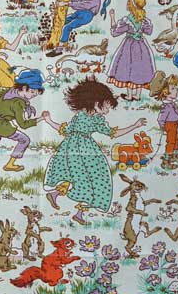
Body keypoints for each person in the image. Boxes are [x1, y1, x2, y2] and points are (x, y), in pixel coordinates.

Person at [44, 77, 147, 224]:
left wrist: (134, 126)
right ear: (96, 102)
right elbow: (66, 130)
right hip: (78, 151)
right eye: (106, 107)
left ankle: (69, 205)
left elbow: (111, 133)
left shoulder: (91, 118)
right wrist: (49, 121)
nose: (106, 111)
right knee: (86, 179)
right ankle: (65, 201)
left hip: (79, 149)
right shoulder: (85, 117)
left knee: (90, 179)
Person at [0, 69, 57, 180]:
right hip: (1, 126)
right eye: (32, 92)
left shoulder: (11, 91)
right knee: (24, 140)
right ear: (24, 88)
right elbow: (24, 124)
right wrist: (41, 118)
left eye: (36, 93)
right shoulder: (18, 103)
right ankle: (10, 164)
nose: (33, 95)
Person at [46, 0, 112, 57]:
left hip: (86, 16)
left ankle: (59, 50)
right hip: (80, 13)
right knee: (63, 21)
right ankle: (54, 39)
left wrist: (66, 3)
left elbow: (82, 4)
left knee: (67, 27)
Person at [106, 0, 156, 102]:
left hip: (129, 46)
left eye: (128, 2)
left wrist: (112, 18)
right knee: (139, 68)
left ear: (132, 5)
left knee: (128, 68)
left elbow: (115, 32)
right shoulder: (144, 20)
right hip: (141, 46)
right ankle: (137, 95)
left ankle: (129, 96)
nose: (127, 4)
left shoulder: (127, 20)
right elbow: (149, 31)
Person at [150, 71, 178, 169]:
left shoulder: (172, 104)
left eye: (175, 88)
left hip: (175, 124)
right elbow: (161, 119)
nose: (176, 90)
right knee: (171, 141)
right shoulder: (166, 106)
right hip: (170, 125)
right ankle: (166, 160)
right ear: (165, 92)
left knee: (176, 140)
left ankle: (174, 155)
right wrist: (163, 128)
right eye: (173, 88)